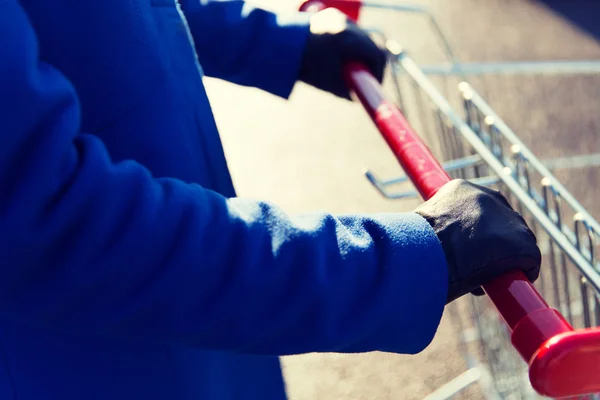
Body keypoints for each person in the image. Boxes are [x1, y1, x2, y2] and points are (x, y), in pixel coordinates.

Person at [0, 1, 541, 399]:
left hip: (203, 338)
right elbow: (47, 220)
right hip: (95, 368)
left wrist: (279, 41)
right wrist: (402, 260)